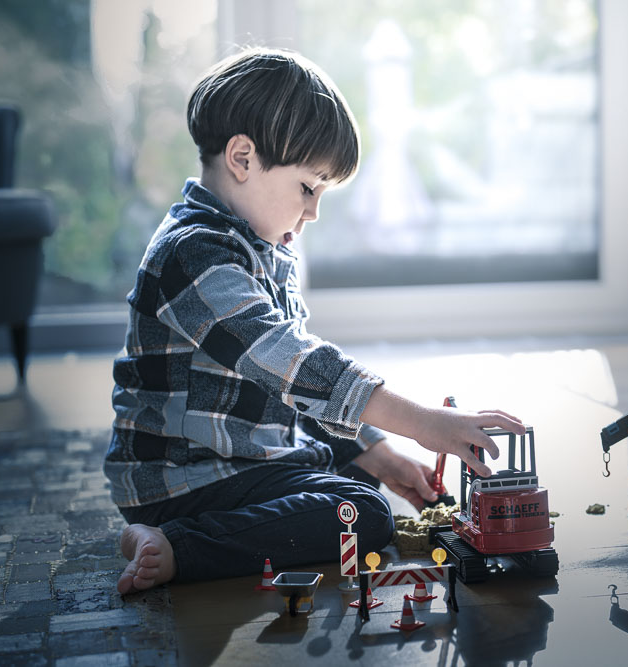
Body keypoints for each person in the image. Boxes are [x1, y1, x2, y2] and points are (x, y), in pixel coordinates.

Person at [105, 47, 524, 595]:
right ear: (242, 158)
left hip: (244, 461)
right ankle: (180, 545)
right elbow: (296, 366)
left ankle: (186, 532)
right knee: (362, 516)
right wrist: (423, 423)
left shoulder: (262, 250)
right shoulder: (195, 255)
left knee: (352, 479)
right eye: (308, 188)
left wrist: (376, 451)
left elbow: (298, 393)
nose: (313, 212)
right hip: (187, 477)